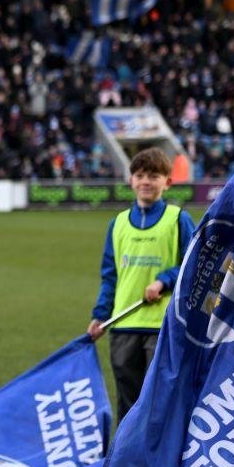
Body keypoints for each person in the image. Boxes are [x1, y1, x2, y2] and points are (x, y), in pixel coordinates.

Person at [88, 147, 194, 421]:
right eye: (140, 175)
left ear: (167, 182)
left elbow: (194, 263)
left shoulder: (178, 219)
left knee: (158, 400)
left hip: (163, 325)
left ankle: (158, 449)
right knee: (127, 401)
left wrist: (164, 280)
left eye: (154, 176)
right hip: (123, 324)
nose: (146, 181)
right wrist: (100, 315)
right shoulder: (118, 224)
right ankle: (126, 448)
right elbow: (110, 275)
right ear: (131, 180)